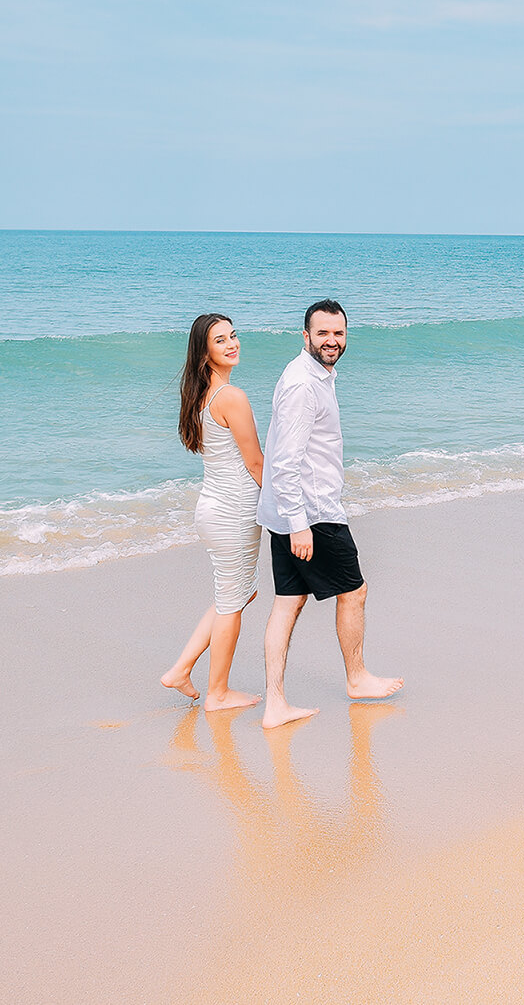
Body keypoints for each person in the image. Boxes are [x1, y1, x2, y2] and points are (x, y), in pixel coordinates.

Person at [255, 299, 403, 728]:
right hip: (312, 514)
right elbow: (284, 462)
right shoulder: (304, 385)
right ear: (306, 337)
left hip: (289, 511)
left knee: (287, 602)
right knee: (353, 592)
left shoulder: (312, 375)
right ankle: (356, 678)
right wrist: (301, 525)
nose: (331, 341)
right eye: (322, 333)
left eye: (338, 333)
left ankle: (275, 704)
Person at [160, 313, 265, 711]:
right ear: (204, 352)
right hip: (234, 512)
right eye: (220, 340)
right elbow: (255, 463)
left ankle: (181, 670)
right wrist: (288, 509)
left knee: (238, 592)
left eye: (234, 335)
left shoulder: (199, 396)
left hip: (213, 509)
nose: (232, 344)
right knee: (232, 602)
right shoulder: (231, 398)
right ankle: (218, 693)